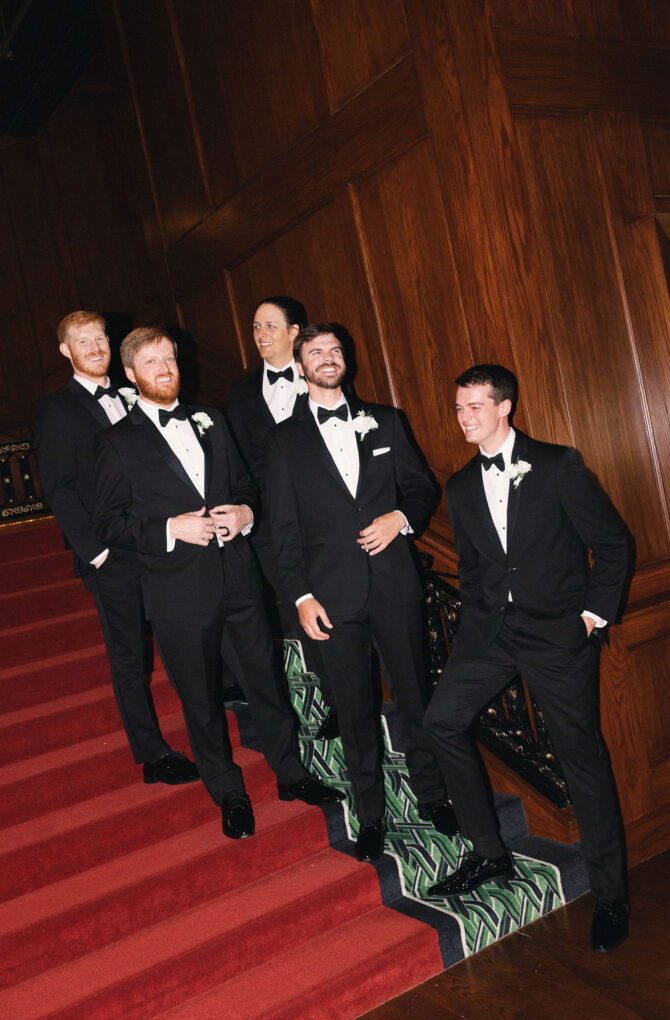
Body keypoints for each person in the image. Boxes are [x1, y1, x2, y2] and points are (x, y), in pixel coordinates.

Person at [94, 327, 342, 839]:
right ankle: (228, 792)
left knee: (267, 686)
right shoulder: (115, 443)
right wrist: (170, 529)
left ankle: (292, 776)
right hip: (177, 596)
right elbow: (109, 524)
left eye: (169, 358)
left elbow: (248, 487)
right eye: (151, 361)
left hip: (240, 583)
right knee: (201, 701)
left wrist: (245, 514)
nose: (164, 368)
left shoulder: (213, 420)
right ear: (131, 374)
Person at [423, 364, 630, 953]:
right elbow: (470, 568)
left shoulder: (559, 464)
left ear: (504, 407)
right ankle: (490, 853)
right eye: (459, 408)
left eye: (475, 407)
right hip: (491, 635)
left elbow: (613, 544)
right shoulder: (460, 486)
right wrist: (471, 635)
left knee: (580, 758)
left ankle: (612, 895)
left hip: (559, 635)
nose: (464, 418)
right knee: (442, 721)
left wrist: (592, 618)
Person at [265, 323, 458, 860]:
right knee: (353, 710)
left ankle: (433, 794)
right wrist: (301, 598)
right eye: (315, 353)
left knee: (417, 697)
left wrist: (400, 517)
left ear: (346, 361)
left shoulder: (387, 421)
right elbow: (282, 532)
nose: (327, 358)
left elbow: (422, 487)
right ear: (300, 368)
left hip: (394, 587)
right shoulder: (283, 441)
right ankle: (371, 814)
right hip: (330, 599)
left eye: (335, 350)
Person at [34, 311, 199, 787]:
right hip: (112, 555)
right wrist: (97, 554)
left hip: (159, 540)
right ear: (65, 350)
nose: (95, 345)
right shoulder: (56, 409)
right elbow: (60, 490)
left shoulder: (137, 392)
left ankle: (203, 727)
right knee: (130, 658)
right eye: (82, 340)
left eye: (101, 337)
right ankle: (152, 755)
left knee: (181, 641)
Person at [225, 296, 338, 738]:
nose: (260, 334)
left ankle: (354, 693)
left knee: (340, 606)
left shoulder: (322, 375)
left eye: (270, 325)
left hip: (327, 519)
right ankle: (331, 700)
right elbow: (240, 464)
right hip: (272, 528)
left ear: (295, 331)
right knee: (298, 613)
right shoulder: (239, 393)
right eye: (255, 327)